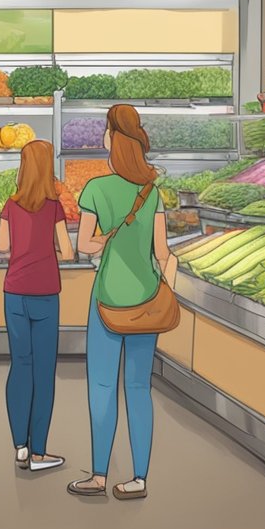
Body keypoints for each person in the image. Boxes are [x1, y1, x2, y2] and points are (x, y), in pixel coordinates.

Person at [67, 104, 177, 501]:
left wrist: (105, 242)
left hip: (108, 301)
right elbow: (162, 252)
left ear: (112, 140)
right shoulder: (152, 192)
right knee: (138, 388)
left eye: (105, 132)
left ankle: (98, 475)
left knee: (101, 385)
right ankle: (138, 479)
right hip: (146, 301)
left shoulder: (96, 189)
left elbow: (83, 246)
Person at [0, 138, 74, 473]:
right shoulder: (53, 206)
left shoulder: (10, 205)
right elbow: (69, 252)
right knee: (44, 373)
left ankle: (19, 446)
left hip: (14, 292)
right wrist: (47, 253)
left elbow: (2, 247)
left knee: (20, 367)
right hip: (45, 292)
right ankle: (39, 452)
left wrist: (24, 252)